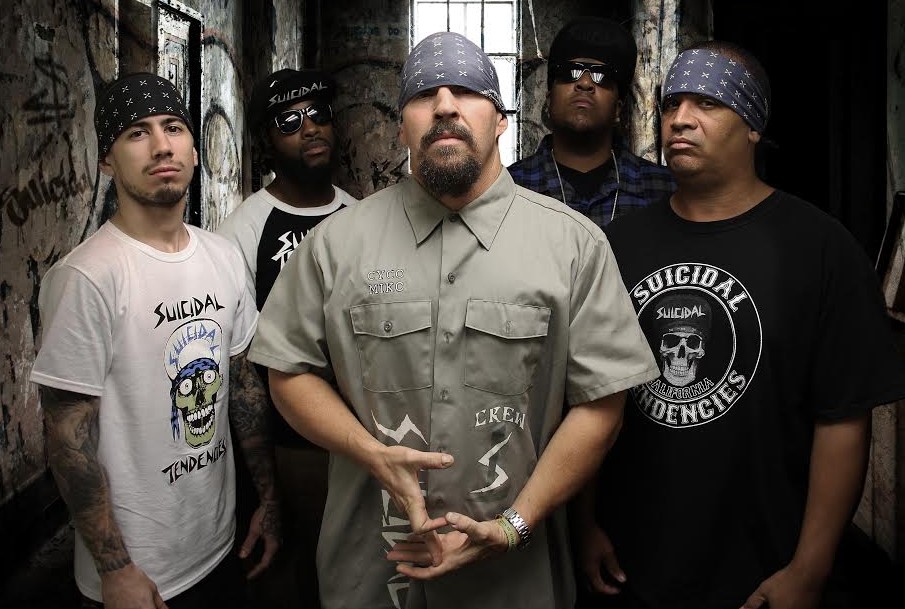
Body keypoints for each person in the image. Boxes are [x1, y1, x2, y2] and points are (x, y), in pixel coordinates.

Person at [247, 31, 660, 609]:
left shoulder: (573, 246)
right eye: (423, 94)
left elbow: (601, 406)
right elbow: (288, 373)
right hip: (371, 574)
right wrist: (370, 453)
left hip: (513, 583)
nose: (444, 105)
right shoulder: (335, 245)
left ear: (501, 121)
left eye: (467, 91)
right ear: (402, 127)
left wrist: (516, 524)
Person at [575, 41, 905, 609]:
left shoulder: (821, 250)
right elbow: (587, 397)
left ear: (753, 125)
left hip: (762, 572)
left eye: (707, 103)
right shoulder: (616, 247)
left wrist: (810, 568)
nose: (680, 119)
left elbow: (843, 421)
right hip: (631, 567)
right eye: (671, 103)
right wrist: (583, 524)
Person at [29, 72, 281, 609]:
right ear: (107, 160)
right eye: (136, 133)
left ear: (193, 149)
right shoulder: (87, 277)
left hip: (220, 544)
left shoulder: (223, 257)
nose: (162, 145)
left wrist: (267, 499)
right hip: (140, 574)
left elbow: (242, 391)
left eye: (173, 127)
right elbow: (68, 438)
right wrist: (115, 570)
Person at [216, 67, 356, 609]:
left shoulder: (359, 216)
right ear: (266, 142)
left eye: (318, 114)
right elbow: (240, 364)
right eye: (290, 122)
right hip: (284, 443)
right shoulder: (243, 231)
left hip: (358, 434)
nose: (310, 128)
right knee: (288, 575)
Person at [508, 16, 675, 227]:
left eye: (602, 76)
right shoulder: (509, 188)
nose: (585, 83)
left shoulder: (666, 189)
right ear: (548, 101)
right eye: (571, 72)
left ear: (618, 108)